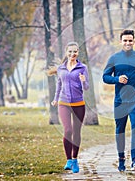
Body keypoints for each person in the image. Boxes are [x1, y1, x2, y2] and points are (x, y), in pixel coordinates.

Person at [102, 29, 135, 172]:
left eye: (130, 40)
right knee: (120, 131)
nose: (127, 43)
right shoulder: (114, 58)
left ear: (134, 41)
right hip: (120, 101)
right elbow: (105, 77)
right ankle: (121, 160)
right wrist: (116, 79)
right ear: (120, 41)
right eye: (125, 40)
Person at [49, 42, 89, 173]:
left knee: (76, 131)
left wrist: (83, 80)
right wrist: (55, 99)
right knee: (67, 130)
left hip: (79, 104)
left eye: (75, 52)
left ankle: (75, 159)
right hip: (64, 103)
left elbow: (86, 88)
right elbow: (59, 85)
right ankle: (68, 161)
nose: (72, 54)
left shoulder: (82, 67)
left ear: (78, 53)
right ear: (66, 53)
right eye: (70, 52)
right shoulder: (61, 68)